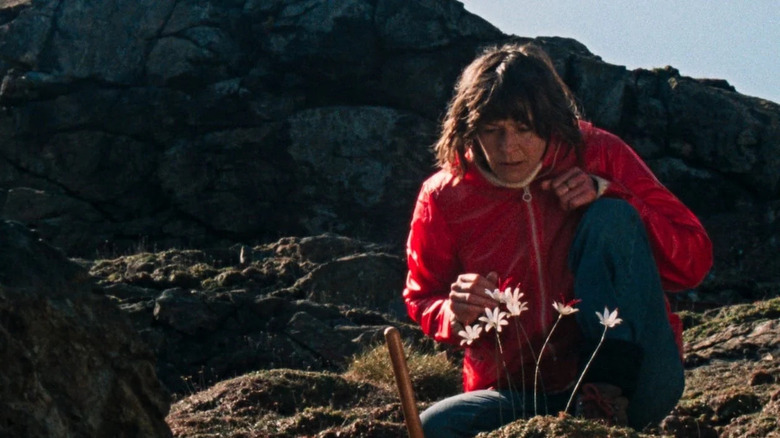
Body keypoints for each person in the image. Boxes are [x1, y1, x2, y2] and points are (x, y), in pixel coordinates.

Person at [402, 42, 712, 437]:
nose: (508, 148)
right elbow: (420, 297)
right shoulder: (443, 194)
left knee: (613, 214)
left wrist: (608, 189)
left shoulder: (598, 152)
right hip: (516, 392)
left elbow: (694, 260)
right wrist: (453, 310)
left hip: (638, 384)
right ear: (468, 127)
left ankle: (604, 401)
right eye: (492, 131)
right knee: (433, 428)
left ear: (550, 120)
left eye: (523, 129)